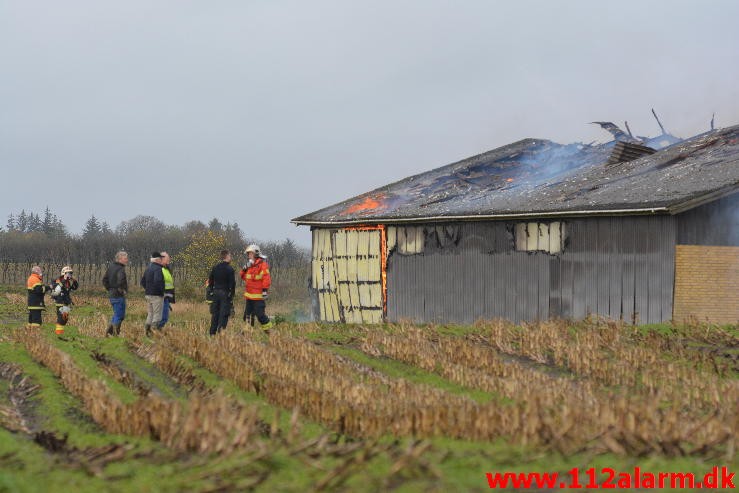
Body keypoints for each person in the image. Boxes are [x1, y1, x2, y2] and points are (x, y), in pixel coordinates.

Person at [240, 244, 273, 332]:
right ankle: (246, 334)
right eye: (248, 254)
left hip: (258, 296)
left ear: (256, 254)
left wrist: (265, 290)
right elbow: (243, 277)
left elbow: (266, 278)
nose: (248, 255)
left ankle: (271, 333)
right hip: (249, 296)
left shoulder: (262, 264)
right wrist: (244, 269)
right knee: (247, 316)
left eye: (250, 253)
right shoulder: (249, 265)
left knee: (260, 315)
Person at [207, 249, 235, 335]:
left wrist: (211, 290)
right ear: (226, 256)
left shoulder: (215, 267)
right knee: (224, 314)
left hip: (215, 293)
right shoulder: (230, 269)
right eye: (230, 256)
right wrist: (231, 296)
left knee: (215, 314)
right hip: (225, 294)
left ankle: (212, 333)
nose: (231, 258)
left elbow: (210, 280)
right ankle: (221, 334)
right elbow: (232, 284)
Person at [102, 251, 128, 336]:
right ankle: (113, 333)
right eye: (125, 258)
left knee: (117, 314)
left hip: (112, 295)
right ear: (120, 259)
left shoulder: (111, 267)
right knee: (120, 316)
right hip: (118, 296)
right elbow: (121, 281)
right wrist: (122, 290)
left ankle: (110, 333)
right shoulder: (120, 269)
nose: (127, 260)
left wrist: (109, 289)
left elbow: (104, 280)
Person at [140, 252, 165, 337]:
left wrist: (148, 289)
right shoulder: (158, 269)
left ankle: (147, 332)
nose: (162, 260)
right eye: (161, 259)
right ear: (157, 260)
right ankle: (154, 333)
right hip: (156, 295)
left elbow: (142, 282)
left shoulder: (148, 268)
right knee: (157, 315)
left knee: (150, 314)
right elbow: (158, 281)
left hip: (148, 295)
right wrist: (161, 292)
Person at [50, 266, 79, 335]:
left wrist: (74, 281)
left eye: (71, 273)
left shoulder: (68, 282)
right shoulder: (58, 280)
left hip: (66, 302)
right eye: (68, 273)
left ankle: (60, 332)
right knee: (61, 318)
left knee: (65, 319)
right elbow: (56, 289)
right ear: (64, 273)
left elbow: (75, 287)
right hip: (60, 301)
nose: (70, 275)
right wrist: (64, 280)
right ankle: (58, 333)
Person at [158, 252, 175, 329]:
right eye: (167, 258)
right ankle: (154, 332)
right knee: (163, 318)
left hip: (166, 297)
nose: (169, 259)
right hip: (161, 297)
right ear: (162, 259)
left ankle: (156, 333)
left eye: (169, 258)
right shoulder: (159, 269)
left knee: (164, 318)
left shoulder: (167, 269)